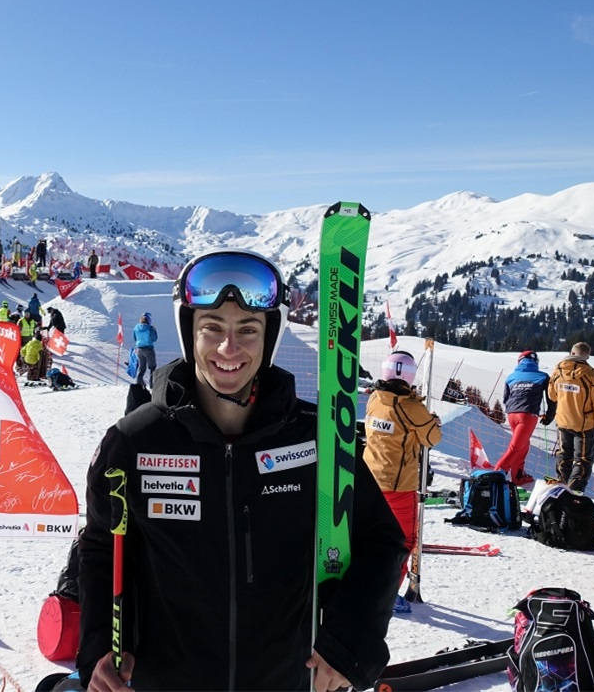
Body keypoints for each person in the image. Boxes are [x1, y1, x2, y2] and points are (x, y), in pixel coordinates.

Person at [78, 248, 405, 692]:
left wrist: (350, 640)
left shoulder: (317, 441)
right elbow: (100, 547)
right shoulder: (134, 443)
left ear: (269, 336)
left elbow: (379, 541)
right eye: (211, 327)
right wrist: (99, 644)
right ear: (188, 331)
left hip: (286, 680)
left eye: (247, 330)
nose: (228, 348)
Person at [362, 350, 442, 614]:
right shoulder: (410, 406)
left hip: (369, 479)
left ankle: (366, 587)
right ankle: (387, 594)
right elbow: (432, 438)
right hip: (397, 485)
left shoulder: (375, 398)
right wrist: (428, 417)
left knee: (370, 537)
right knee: (403, 541)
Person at [547, 342, 594, 494]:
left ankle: (561, 488)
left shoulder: (558, 371)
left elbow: (551, 395)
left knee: (563, 456)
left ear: (572, 352)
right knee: (583, 460)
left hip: (562, 420)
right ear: (587, 356)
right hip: (585, 425)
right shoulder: (592, 375)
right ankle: (574, 492)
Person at [494, 351, 554, 486]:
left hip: (512, 414)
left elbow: (505, 398)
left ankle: (518, 475)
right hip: (528, 415)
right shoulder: (543, 376)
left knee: (523, 444)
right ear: (536, 362)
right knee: (515, 447)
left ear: (519, 362)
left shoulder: (511, 377)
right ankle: (496, 474)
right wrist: (550, 416)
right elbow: (551, 398)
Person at [132, 312, 158, 388]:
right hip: (149, 349)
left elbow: (135, 338)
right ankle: (152, 386)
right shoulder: (150, 328)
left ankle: (138, 385)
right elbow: (154, 339)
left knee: (142, 368)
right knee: (152, 368)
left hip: (139, 349)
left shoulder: (136, 328)